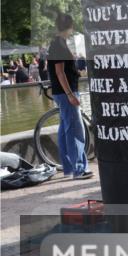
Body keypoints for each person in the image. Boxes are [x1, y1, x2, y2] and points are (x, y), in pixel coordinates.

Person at [46, 14, 92, 179]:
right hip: (66, 93)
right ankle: (79, 169)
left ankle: (69, 168)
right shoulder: (59, 45)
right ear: (69, 27)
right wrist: (70, 94)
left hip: (61, 92)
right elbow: (60, 72)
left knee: (65, 130)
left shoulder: (57, 43)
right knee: (74, 131)